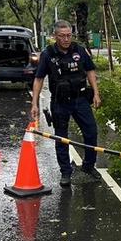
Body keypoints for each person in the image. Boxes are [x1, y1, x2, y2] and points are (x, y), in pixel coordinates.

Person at [31, 20, 101, 187]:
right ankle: (65, 172)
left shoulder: (79, 50)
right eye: (62, 36)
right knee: (61, 138)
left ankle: (89, 165)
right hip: (60, 102)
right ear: (55, 36)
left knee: (91, 132)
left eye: (69, 35)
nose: (66, 39)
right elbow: (39, 79)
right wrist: (34, 103)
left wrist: (96, 93)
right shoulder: (48, 54)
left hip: (80, 99)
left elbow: (90, 70)